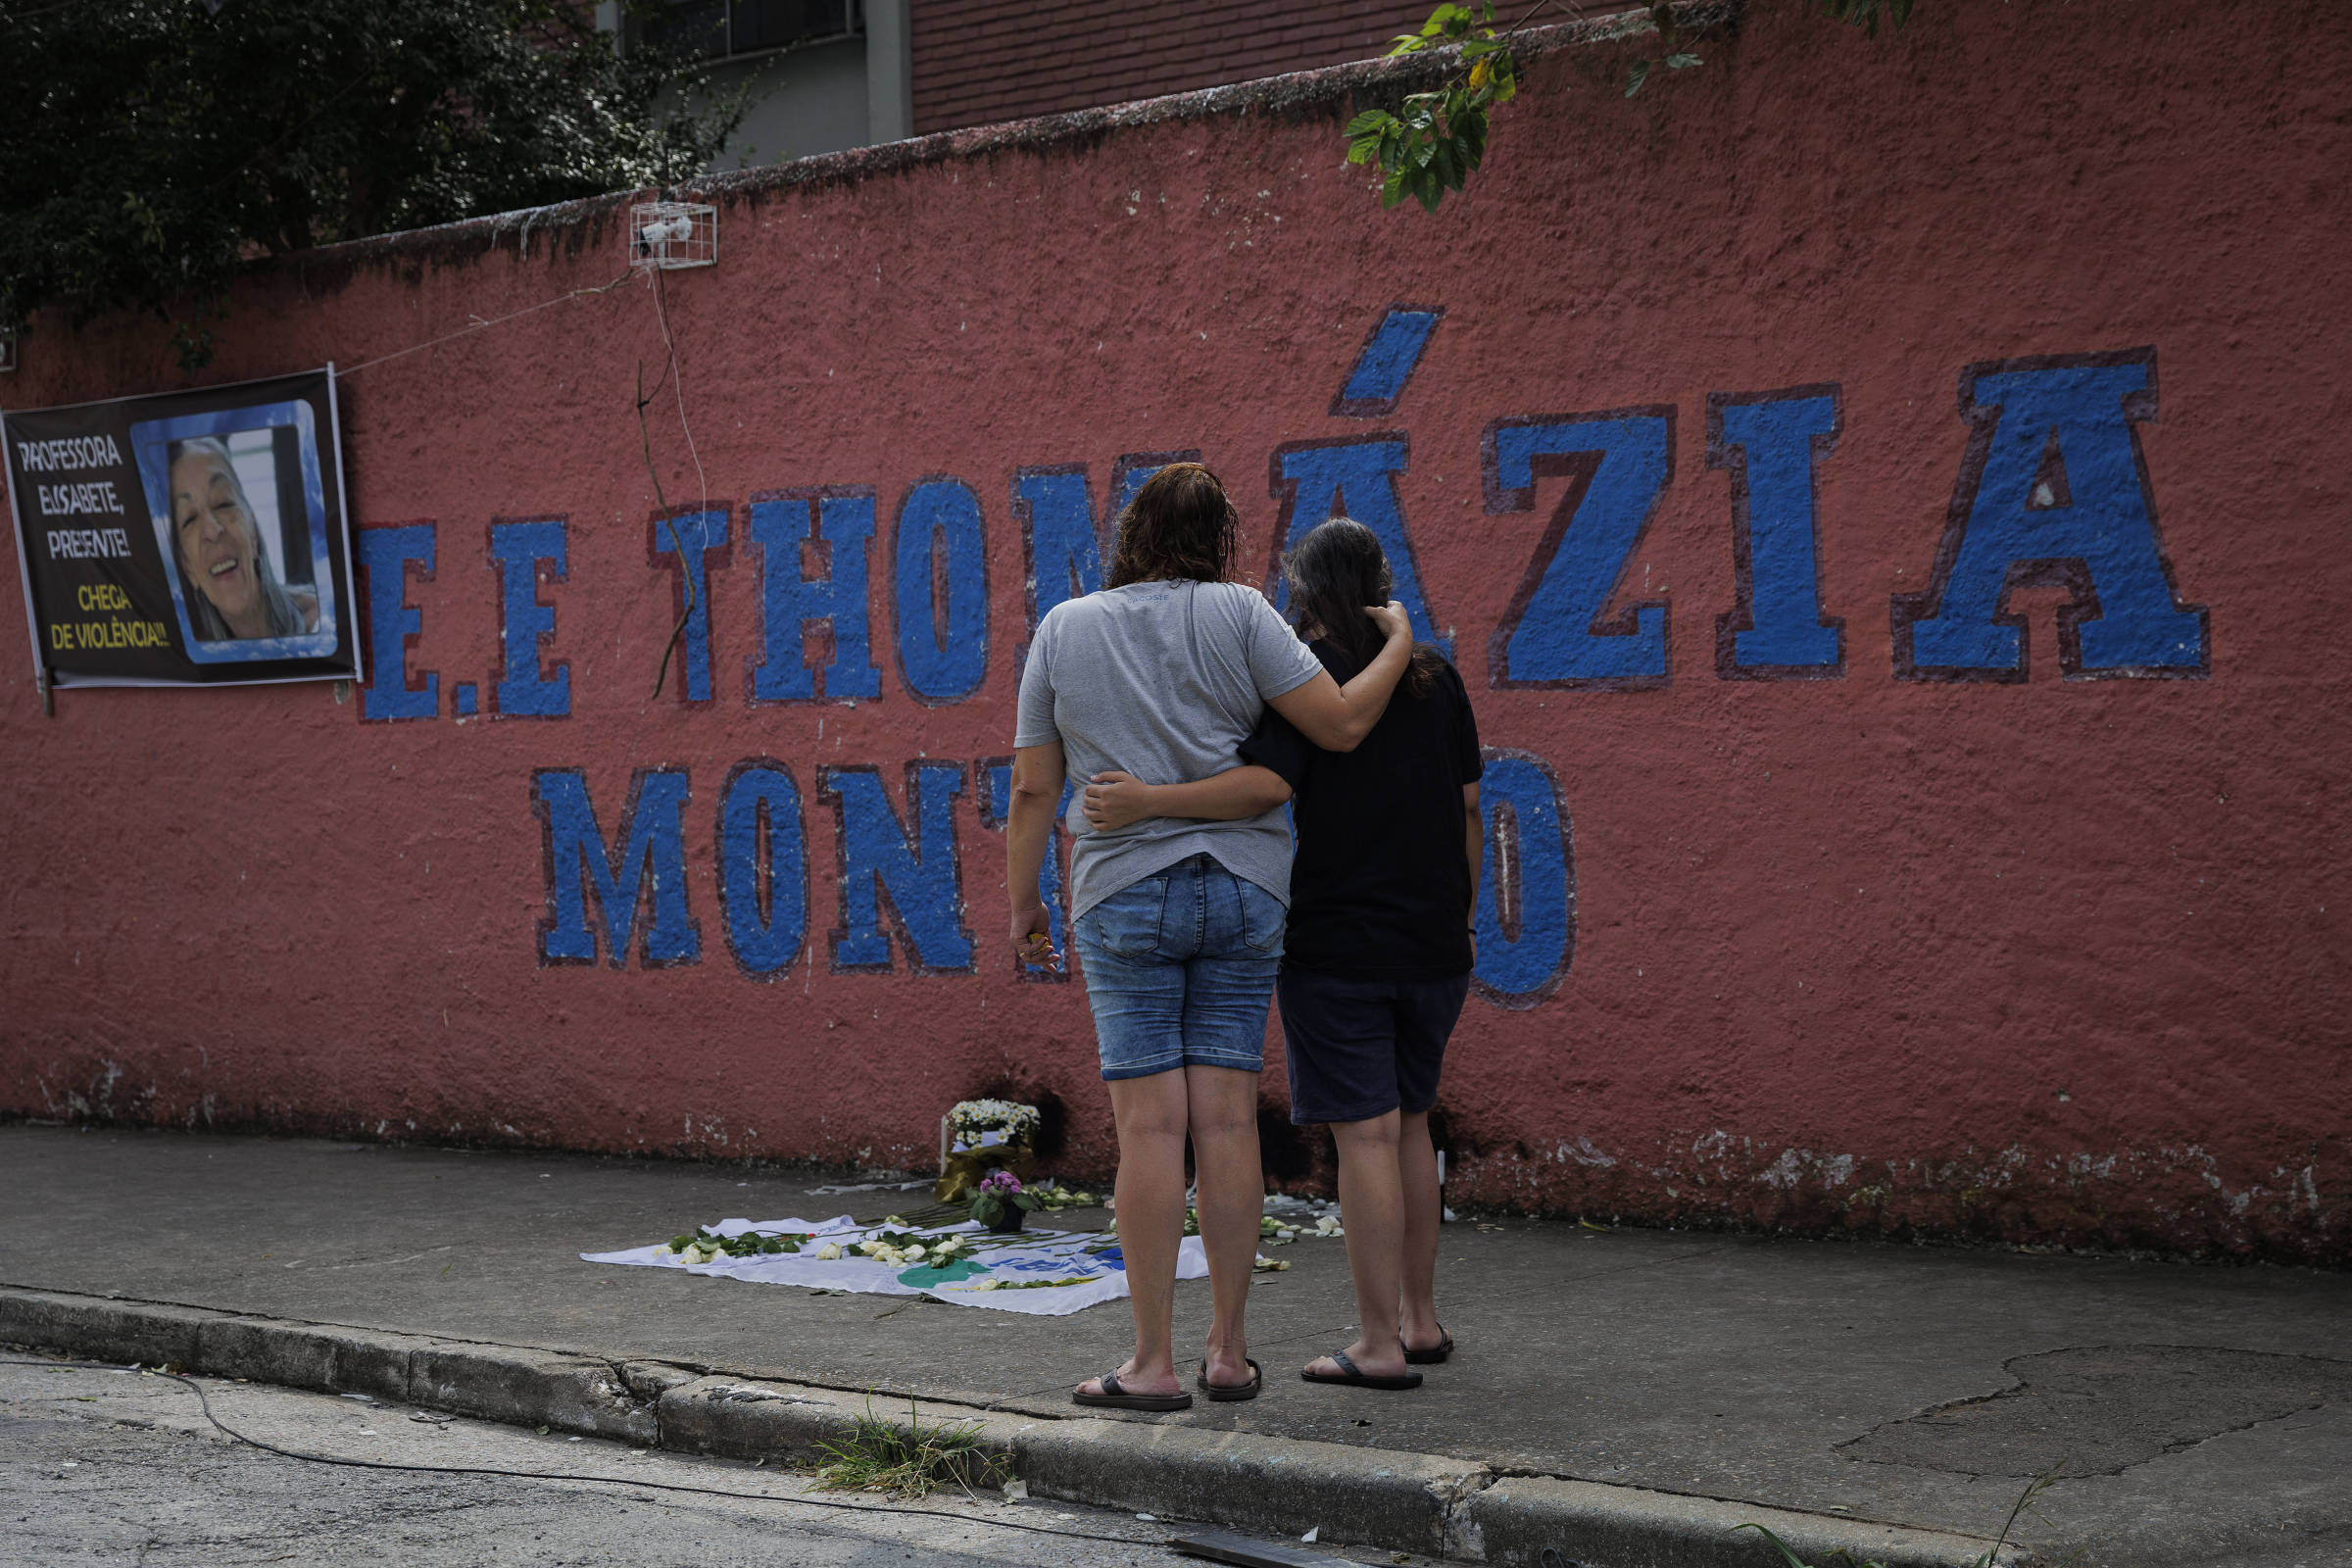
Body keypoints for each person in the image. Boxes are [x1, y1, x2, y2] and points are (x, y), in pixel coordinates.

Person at [1004, 466, 1415, 1411]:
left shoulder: (1066, 627)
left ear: (1129, 532)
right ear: (1222, 535)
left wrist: (1022, 904)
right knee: (1228, 1120)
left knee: (1150, 1129)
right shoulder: (1242, 614)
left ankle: (1149, 1363)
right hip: (1244, 889)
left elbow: (1033, 788)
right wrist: (1401, 641)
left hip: (1122, 891)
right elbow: (1342, 726)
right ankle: (1229, 1354)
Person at [1082, 518, 1482, 1393]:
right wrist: (1461, 916)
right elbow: (1467, 812)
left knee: (1366, 1134)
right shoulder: (1440, 683)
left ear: (1304, 593)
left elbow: (1265, 785)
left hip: (1339, 939)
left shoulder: (1301, 681)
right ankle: (1420, 1321)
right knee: (1412, 1124)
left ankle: (1377, 1345)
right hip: (1437, 942)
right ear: (1379, 586)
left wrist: (1150, 801)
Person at [166, 436, 318, 640]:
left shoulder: (321, 621)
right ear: (188, 568)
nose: (212, 530)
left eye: (223, 503)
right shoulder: (195, 661)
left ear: (253, 532)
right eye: (190, 519)